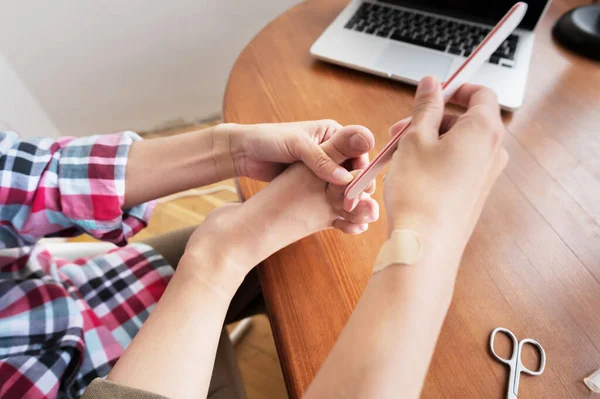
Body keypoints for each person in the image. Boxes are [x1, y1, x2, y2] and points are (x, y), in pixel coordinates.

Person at [1, 75, 507, 399]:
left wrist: (231, 148)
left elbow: (17, 175)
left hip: (77, 296)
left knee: (322, 264)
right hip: (112, 383)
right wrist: (431, 232)